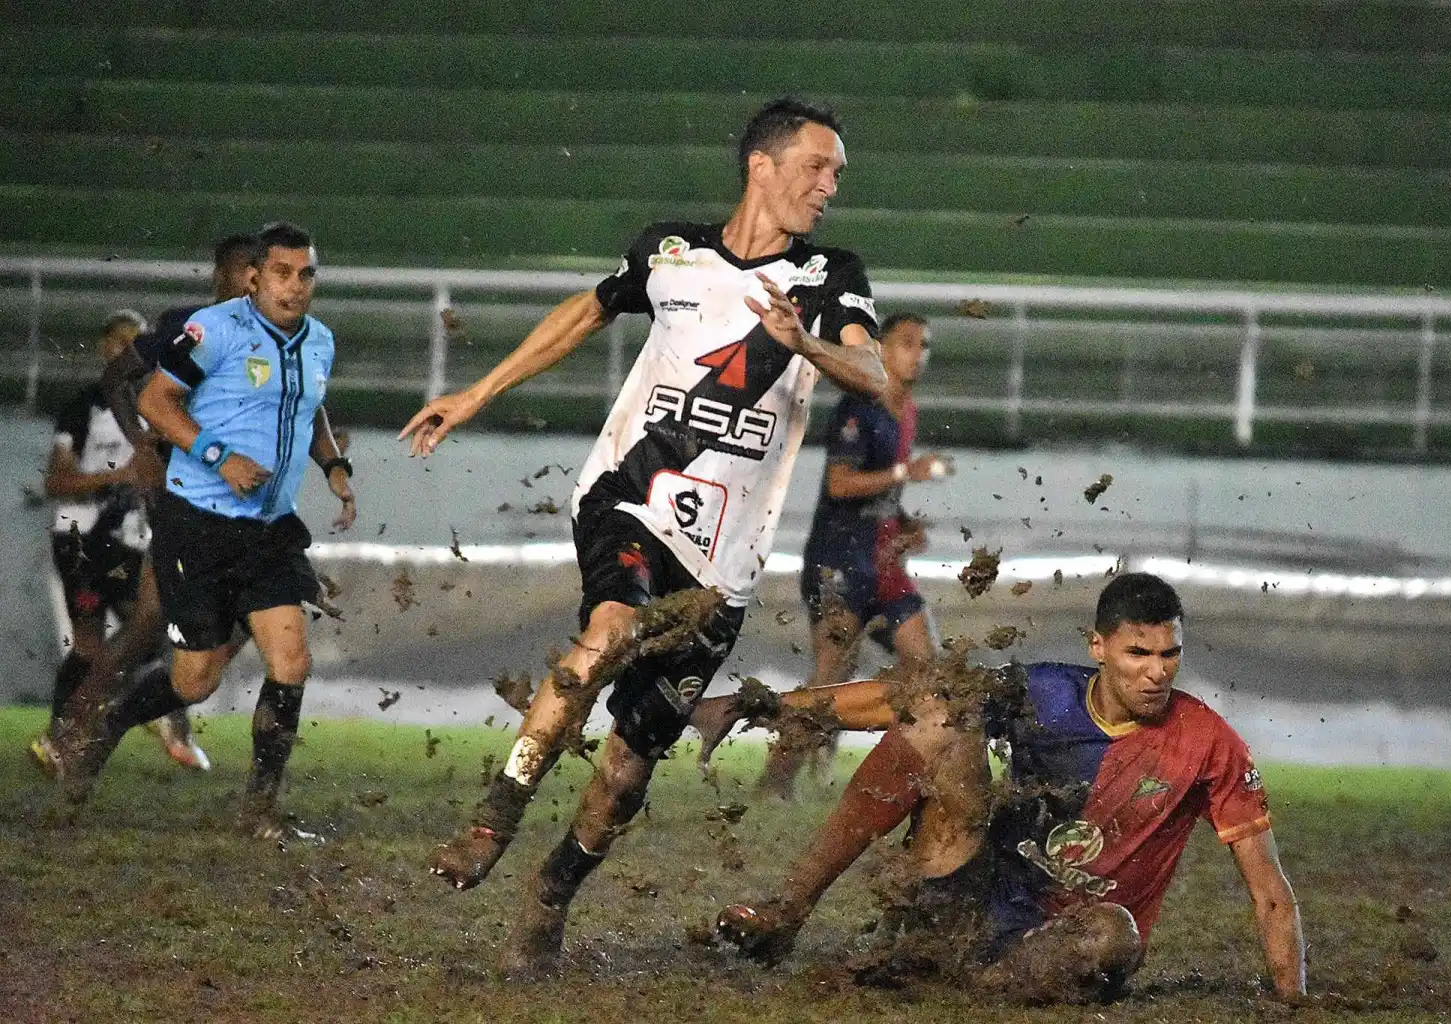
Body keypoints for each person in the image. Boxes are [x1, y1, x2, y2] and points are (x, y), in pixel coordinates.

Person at [400, 97, 887, 974]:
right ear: (763, 165)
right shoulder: (670, 252)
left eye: (837, 174)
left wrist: (806, 346)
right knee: (612, 627)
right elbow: (588, 310)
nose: (830, 186)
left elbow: (874, 371)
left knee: (625, 773)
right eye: (817, 167)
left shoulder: (828, 274)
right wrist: (476, 394)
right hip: (631, 496)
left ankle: (549, 897)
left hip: (725, 564)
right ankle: (494, 817)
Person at [695, 574, 1306, 1003]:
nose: (1156, 672)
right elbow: (900, 699)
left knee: (1115, 934)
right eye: (1138, 653)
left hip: (1066, 947)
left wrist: (1293, 999)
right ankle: (788, 913)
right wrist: (767, 703)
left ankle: (942, 977)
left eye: (1170, 655)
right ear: (1098, 646)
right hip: (969, 904)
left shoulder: (1208, 742)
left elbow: (1269, 888)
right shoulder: (1042, 693)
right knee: (939, 716)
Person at [56, 222, 358, 839]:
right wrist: (220, 457)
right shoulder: (213, 330)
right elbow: (154, 400)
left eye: (306, 275)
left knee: (291, 660)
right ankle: (110, 723)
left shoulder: (320, 340)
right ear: (254, 277)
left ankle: (259, 811)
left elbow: (310, 406)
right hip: (196, 525)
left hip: (269, 529)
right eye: (282, 273)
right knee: (195, 681)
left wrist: (333, 467)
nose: (295, 286)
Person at [45, 236, 264, 771]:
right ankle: (77, 733)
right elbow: (118, 381)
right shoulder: (188, 326)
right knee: (143, 626)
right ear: (222, 275)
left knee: (193, 628)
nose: (259, 282)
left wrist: (326, 455)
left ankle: (116, 721)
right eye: (248, 271)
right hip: (167, 506)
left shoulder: (273, 335)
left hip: (239, 506)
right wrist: (142, 448)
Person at [758, 311, 949, 798]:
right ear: (881, 348)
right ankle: (775, 784)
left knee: (929, 668)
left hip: (883, 565)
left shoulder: (907, 410)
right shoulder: (858, 407)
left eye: (924, 345)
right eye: (907, 342)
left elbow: (881, 491)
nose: (917, 354)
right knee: (832, 675)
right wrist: (906, 473)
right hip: (838, 560)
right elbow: (840, 485)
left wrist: (904, 523)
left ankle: (906, 772)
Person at [28, 310, 208, 774]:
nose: (125, 348)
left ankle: (170, 727)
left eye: (134, 340)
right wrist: (120, 475)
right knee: (90, 644)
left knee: (154, 627)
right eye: (117, 340)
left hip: (128, 543)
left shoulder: (156, 405)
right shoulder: (84, 408)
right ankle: (61, 737)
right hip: (81, 539)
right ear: (103, 348)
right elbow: (56, 481)